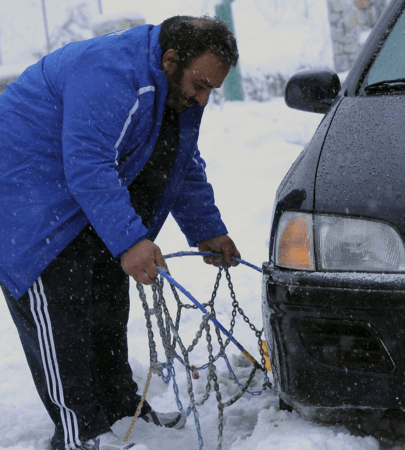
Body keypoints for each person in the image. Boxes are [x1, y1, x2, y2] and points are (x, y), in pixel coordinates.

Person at [0, 15, 241, 450]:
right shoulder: (112, 72)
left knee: (105, 303)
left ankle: (120, 411)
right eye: (201, 85)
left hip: (77, 198)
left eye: (212, 90)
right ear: (171, 60)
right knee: (62, 317)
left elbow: (179, 161)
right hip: (24, 205)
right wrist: (130, 240)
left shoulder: (174, 92)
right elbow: (89, 164)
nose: (204, 99)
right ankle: (80, 435)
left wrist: (207, 229)